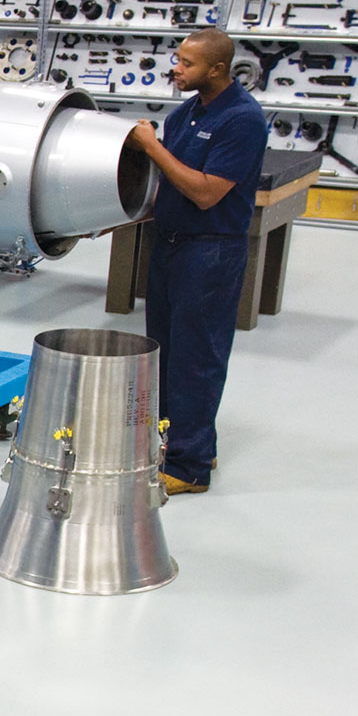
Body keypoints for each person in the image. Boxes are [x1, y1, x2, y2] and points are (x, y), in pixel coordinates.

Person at [125, 27, 267, 495]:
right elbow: (165, 185)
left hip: (210, 250)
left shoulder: (242, 120)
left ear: (218, 69)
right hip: (169, 244)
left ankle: (190, 467)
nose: (176, 68)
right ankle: (183, 440)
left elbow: (206, 192)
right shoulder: (186, 113)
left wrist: (152, 147)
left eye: (186, 63)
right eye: (177, 59)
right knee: (163, 351)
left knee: (197, 356)